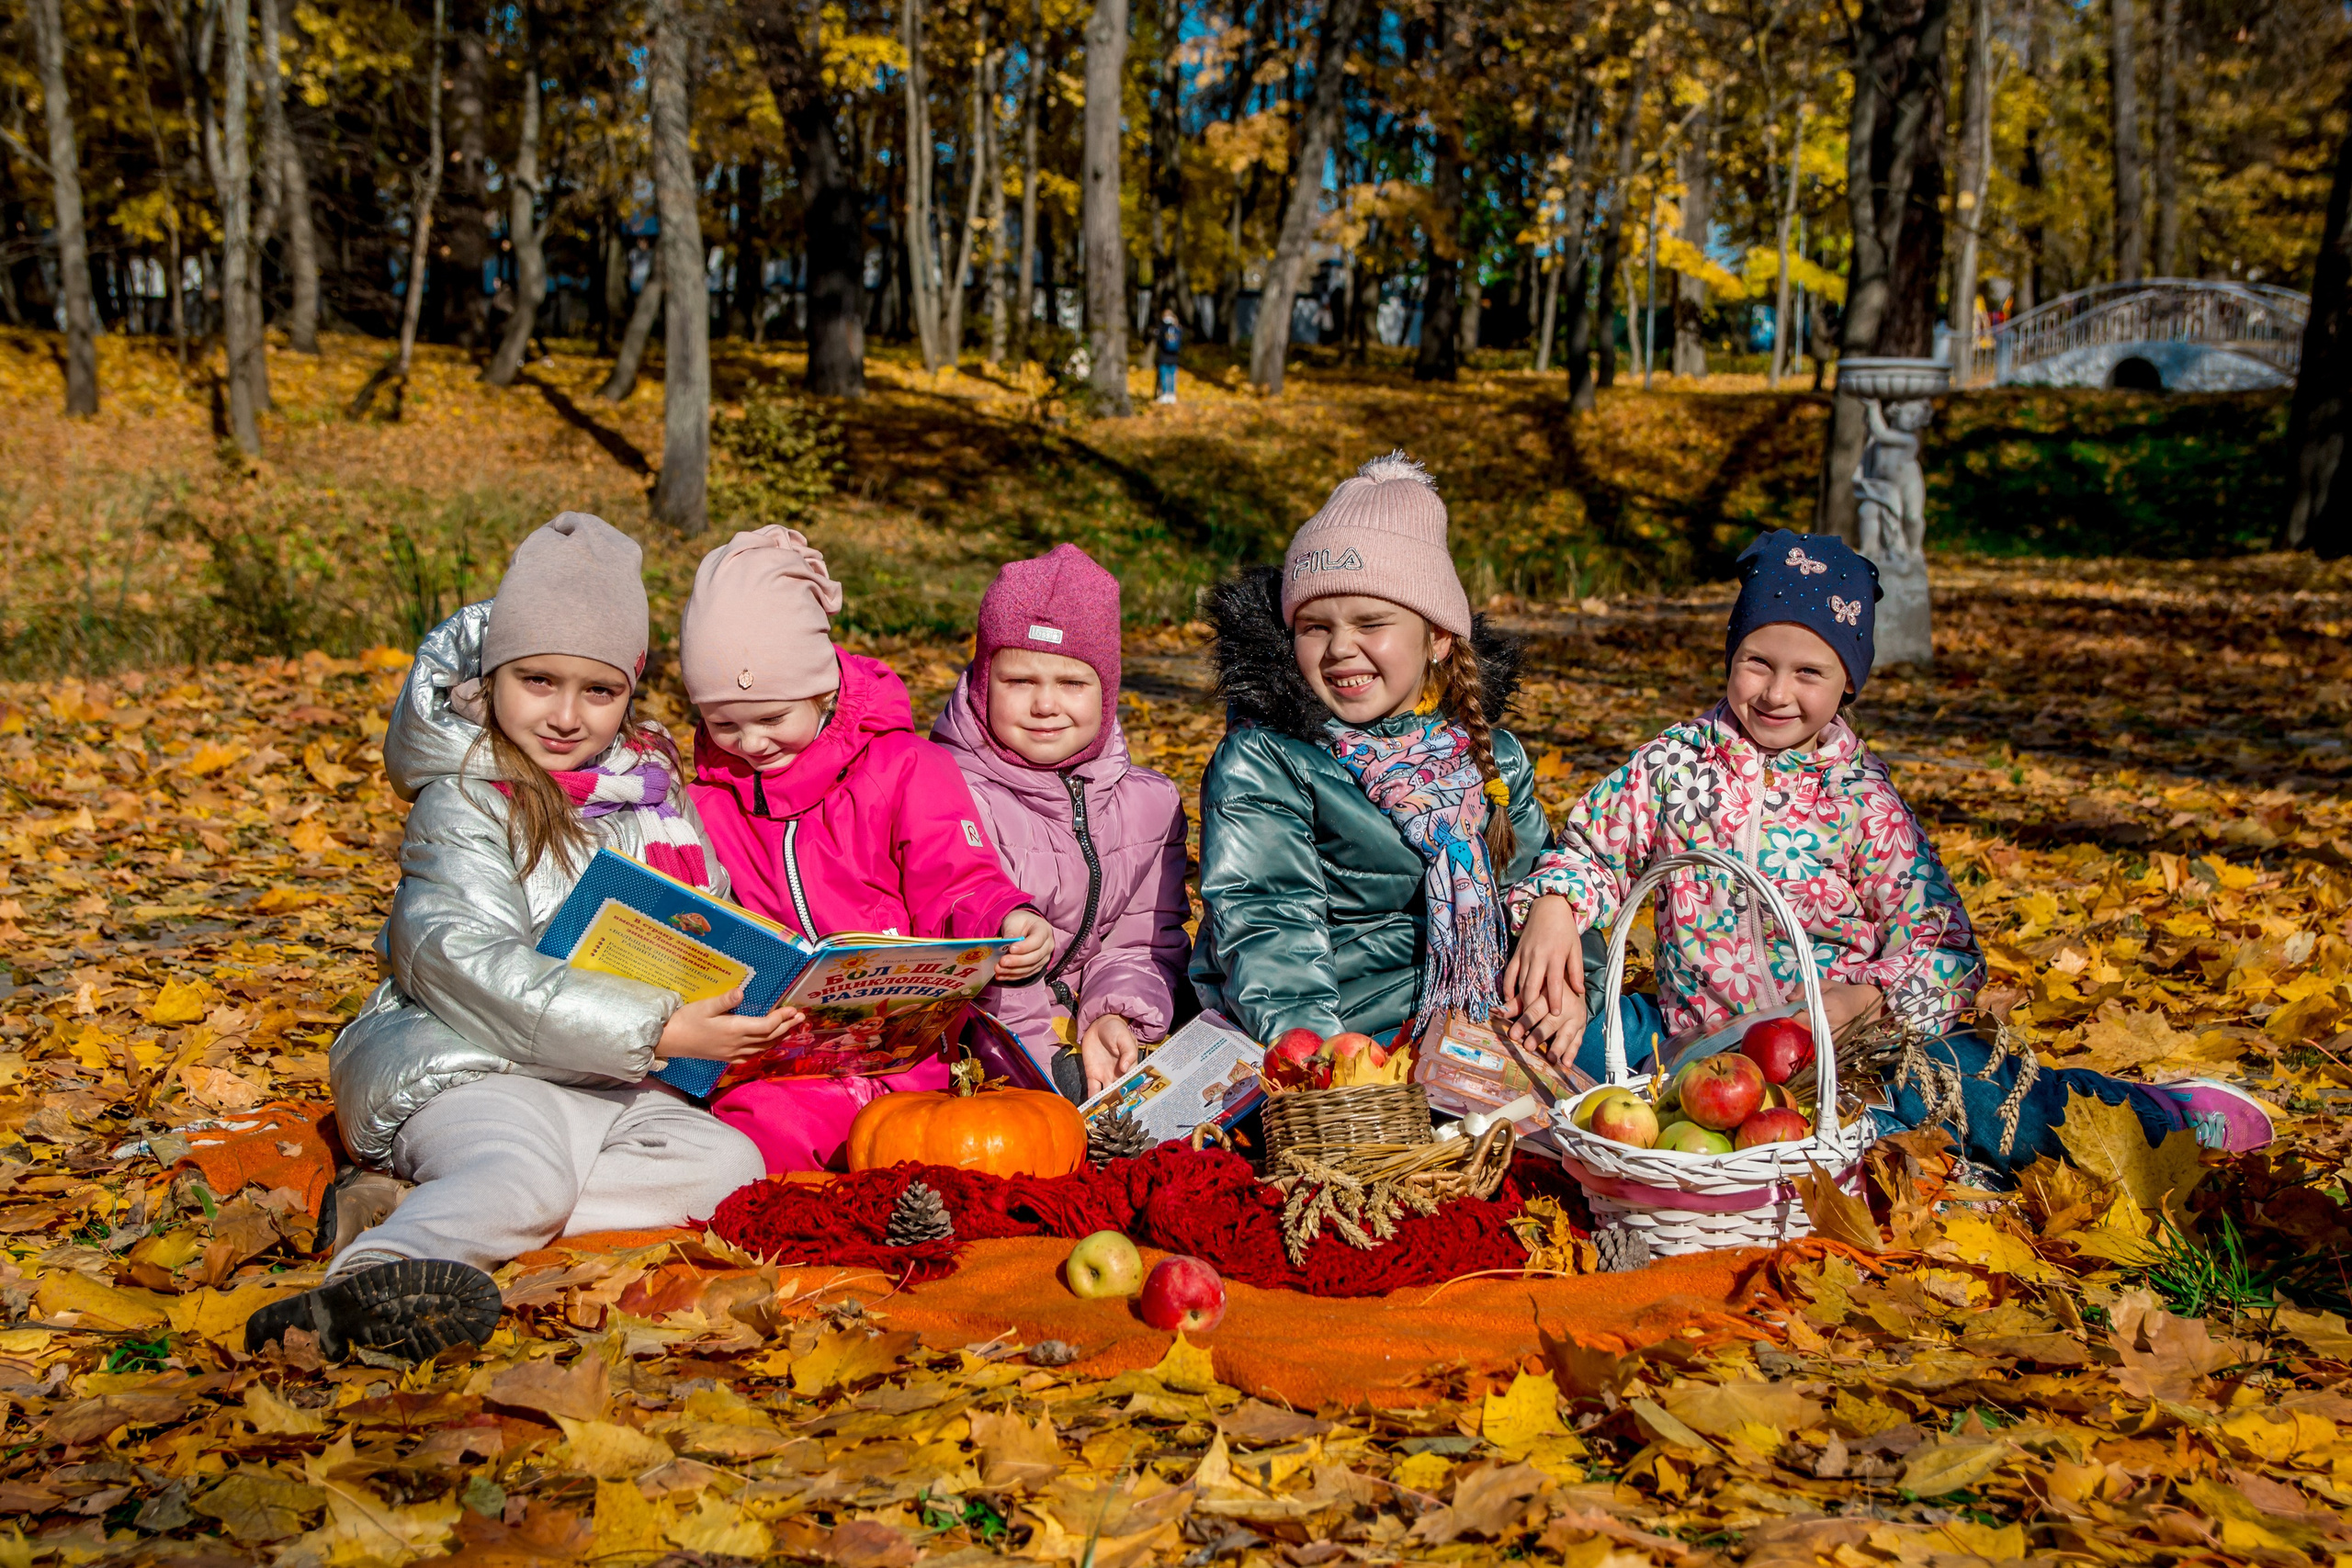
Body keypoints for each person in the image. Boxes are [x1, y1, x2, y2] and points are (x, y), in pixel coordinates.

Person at [1503, 527, 2274, 1173]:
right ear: (1730, 657)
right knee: (1544, 1028)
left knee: (1970, 1087)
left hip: (1850, 1060)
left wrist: (1863, 1000)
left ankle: (2156, 1120)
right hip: (1696, 1045)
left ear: (1848, 683)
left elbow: (1940, 943)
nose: (1776, 693)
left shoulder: (1862, 798)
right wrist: (1556, 906)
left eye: (1810, 672)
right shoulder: (1675, 763)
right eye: (1757, 662)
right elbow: (1595, 845)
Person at [249, 514, 779, 1363]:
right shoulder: (462, 799)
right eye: (538, 680)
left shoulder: (648, 795)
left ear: (629, 693)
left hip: (611, 1079)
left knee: (727, 1169)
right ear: (492, 677)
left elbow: (695, 919)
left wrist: (742, 989)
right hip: (475, 1064)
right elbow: (460, 960)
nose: (567, 715)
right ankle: (363, 1282)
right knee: (524, 1175)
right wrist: (655, 1027)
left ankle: (425, 1204)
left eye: (598, 691)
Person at [679, 526, 1055, 1171]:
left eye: (772, 718)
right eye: (723, 723)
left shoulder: (905, 768)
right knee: (758, 1144)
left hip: (910, 1061)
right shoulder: (708, 803)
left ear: (824, 691)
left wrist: (1002, 919)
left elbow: (956, 878)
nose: (750, 742)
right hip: (776, 1070)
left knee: (952, 1151)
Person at [1190, 453, 1558, 1045]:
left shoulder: (1493, 759)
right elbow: (1267, 918)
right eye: (1315, 626)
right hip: (1348, 1035)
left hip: (1492, 1017)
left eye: (1370, 623)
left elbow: (1541, 885)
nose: (1339, 648)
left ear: (1437, 636)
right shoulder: (1270, 760)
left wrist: (1568, 995)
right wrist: (1312, 1048)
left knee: (1639, 1041)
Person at [932, 545, 1191, 1099]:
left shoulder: (1150, 805)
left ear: (1108, 690)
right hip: (986, 1040)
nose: (1046, 704)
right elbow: (984, 974)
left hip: (1085, 1018)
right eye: (1020, 681)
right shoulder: (949, 793)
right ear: (982, 683)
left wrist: (1114, 1014)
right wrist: (1046, 1077)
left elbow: (1141, 943)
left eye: (1072, 683)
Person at [1154, 309, 1183, 404]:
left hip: (1163, 356)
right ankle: (1172, 394)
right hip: (1174, 357)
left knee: (1164, 375)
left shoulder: (1162, 328)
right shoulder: (1178, 328)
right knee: (1171, 376)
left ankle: (1165, 394)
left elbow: (1158, 340)